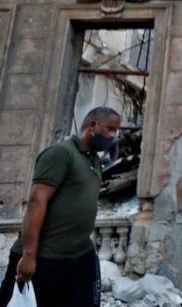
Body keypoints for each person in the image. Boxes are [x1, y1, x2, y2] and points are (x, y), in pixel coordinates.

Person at [0, 106, 121, 307]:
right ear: (93, 126)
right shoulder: (61, 154)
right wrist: (29, 255)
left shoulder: (94, 161)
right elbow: (36, 202)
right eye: (110, 129)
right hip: (46, 257)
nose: (113, 136)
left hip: (78, 256)